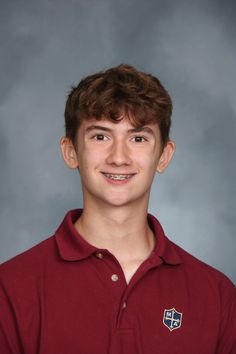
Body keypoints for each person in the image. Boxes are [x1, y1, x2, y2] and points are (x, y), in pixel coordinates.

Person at [0, 64, 235, 354]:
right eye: (100, 136)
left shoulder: (217, 295)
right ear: (70, 151)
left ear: (163, 156)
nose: (119, 157)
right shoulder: (10, 289)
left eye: (138, 138)